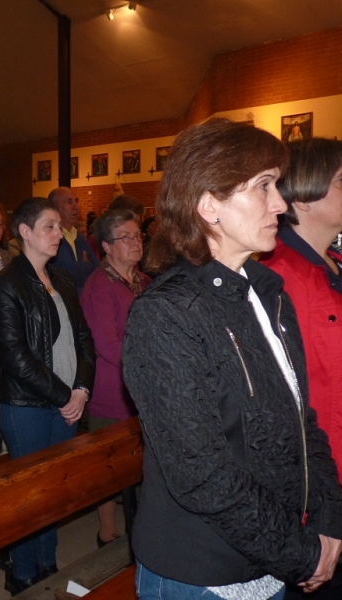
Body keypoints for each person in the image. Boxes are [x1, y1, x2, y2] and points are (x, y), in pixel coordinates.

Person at [122, 119, 342, 600]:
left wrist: (329, 521)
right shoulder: (165, 315)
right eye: (263, 186)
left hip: (274, 554)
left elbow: (302, 421)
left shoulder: (267, 294)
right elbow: (201, 474)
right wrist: (302, 553)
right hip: (202, 571)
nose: (281, 204)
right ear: (208, 206)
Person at [0, 197, 95, 595]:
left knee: (54, 491)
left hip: (67, 401)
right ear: (25, 232)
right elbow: (15, 356)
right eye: (48, 226)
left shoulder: (63, 280)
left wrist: (82, 390)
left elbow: (84, 338)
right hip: (28, 406)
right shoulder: (6, 284)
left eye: (57, 226)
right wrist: (66, 395)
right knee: (29, 496)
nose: (56, 233)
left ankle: (47, 563)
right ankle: (23, 570)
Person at [262, 138, 342, 599]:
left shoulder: (328, 263)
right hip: (314, 489)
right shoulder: (280, 276)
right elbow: (285, 401)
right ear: (305, 197)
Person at [80, 209, 150, 548]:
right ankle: (107, 531)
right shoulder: (99, 286)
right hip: (113, 390)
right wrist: (152, 363)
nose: (136, 242)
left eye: (138, 235)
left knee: (141, 463)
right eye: (126, 236)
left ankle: (143, 525)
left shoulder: (143, 281)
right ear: (106, 245)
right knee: (108, 469)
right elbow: (107, 344)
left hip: (143, 389)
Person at [48, 187, 99, 293]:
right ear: (54, 207)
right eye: (69, 202)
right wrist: (85, 267)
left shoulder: (79, 237)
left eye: (76, 201)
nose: (76, 207)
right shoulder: (50, 239)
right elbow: (61, 279)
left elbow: (97, 271)